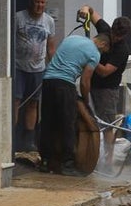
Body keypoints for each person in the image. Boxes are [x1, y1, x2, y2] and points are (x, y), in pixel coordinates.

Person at [38, 33, 110, 175]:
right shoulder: (95, 53)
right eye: (103, 51)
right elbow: (85, 81)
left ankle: (45, 162)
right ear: (102, 44)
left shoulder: (72, 38)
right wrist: (86, 101)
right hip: (65, 85)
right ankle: (68, 164)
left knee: (47, 123)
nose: (101, 53)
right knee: (67, 125)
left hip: (47, 81)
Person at [82, 5, 131, 170]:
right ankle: (88, 154)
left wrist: (91, 53)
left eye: (119, 36)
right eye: (114, 34)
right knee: (86, 120)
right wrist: (85, 10)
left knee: (107, 125)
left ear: (125, 35)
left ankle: (108, 161)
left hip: (107, 90)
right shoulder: (104, 29)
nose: (115, 38)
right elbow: (91, 10)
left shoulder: (122, 50)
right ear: (111, 28)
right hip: (90, 83)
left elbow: (105, 72)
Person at [13, 0, 58, 152]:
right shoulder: (18, 18)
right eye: (37, 1)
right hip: (19, 67)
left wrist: (54, 67)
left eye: (42, 2)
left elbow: (51, 48)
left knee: (33, 103)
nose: (39, 5)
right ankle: (11, 137)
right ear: (30, 1)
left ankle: (29, 140)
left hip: (38, 69)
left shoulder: (49, 21)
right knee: (16, 102)